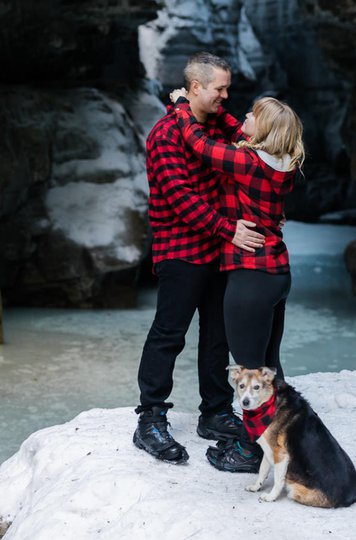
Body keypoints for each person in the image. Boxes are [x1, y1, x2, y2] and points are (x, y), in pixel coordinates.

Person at [133, 52, 266, 466]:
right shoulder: (166, 135)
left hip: (218, 251)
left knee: (217, 334)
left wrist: (226, 236)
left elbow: (244, 137)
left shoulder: (213, 126)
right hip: (181, 249)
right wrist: (230, 229)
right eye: (219, 89)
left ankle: (214, 413)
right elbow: (180, 199)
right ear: (194, 88)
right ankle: (150, 418)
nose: (226, 96)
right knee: (170, 333)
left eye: (227, 88)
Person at [172, 94, 305, 471]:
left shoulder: (246, 162)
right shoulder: (284, 163)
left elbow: (198, 144)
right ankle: (282, 439)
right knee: (269, 365)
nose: (243, 115)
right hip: (277, 273)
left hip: (250, 279)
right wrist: (227, 115)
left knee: (250, 372)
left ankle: (250, 452)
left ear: (262, 129)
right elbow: (239, 131)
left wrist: (184, 106)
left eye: (252, 114)